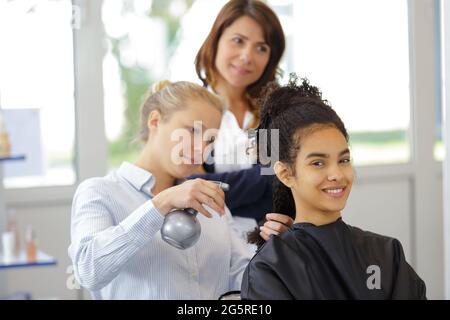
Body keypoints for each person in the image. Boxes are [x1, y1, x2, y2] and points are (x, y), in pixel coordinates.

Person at [241, 75, 427, 299]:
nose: (337, 174)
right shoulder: (270, 269)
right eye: (318, 163)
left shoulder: (388, 254)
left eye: (344, 160)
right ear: (285, 173)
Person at [68, 81, 252, 299]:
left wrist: (280, 249)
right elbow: (89, 272)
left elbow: (245, 278)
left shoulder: (209, 202)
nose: (202, 150)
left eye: (210, 140)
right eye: (193, 131)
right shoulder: (99, 192)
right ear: (155, 121)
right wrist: (161, 204)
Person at [193, 0, 291, 241]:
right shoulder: (190, 109)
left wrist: (219, 189)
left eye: (261, 48)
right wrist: (262, 178)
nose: (247, 56)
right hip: (206, 246)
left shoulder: (273, 113)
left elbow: (276, 192)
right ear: (215, 41)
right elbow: (188, 186)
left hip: (265, 246)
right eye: (238, 41)